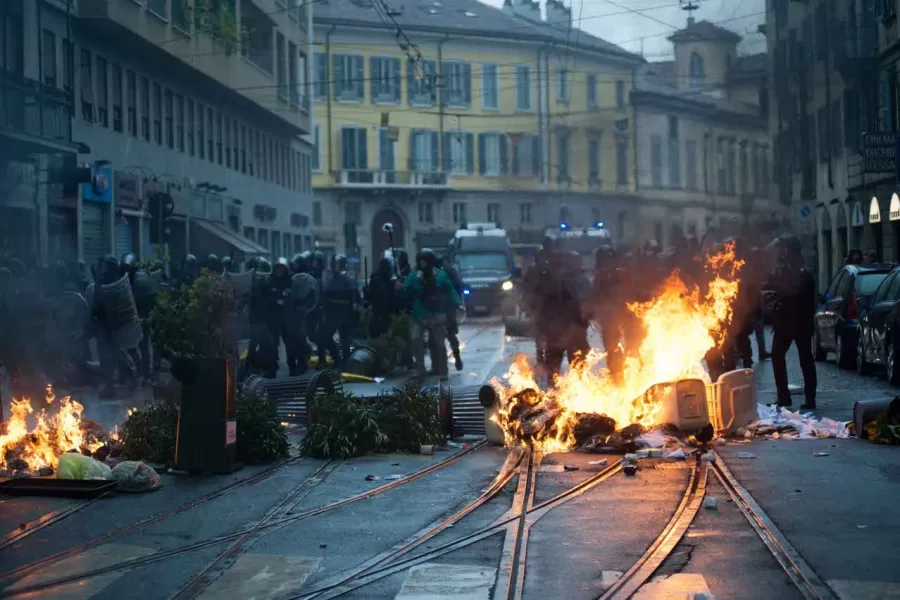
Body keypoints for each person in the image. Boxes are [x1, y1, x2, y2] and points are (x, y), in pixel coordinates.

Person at [769, 235, 817, 409]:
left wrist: (775, 283)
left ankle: (810, 398)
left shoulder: (802, 269)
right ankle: (783, 397)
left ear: (789, 249)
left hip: (800, 322)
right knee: (777, 356)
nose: (780, 251)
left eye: (783, 248)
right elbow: (782, 292)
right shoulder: (784, 267)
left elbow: (794, 291)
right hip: (784, 321)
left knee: (805, 359)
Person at [400, 248, 460, 380]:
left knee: (439, 343)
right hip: (419, 314)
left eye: (425, 261)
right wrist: (399, 288)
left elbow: (450, 289)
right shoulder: (413, 275)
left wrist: (457, 303)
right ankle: (420, 370)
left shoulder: (440, 275)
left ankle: (443, 370)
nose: (423, 264)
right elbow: (404, 291)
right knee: (416, 339)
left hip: (436, 314)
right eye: (421, 261)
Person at [320, 254, 357, 367]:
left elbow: (354, 297)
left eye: (338, 264)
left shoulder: (348, 278)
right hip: (332, 313)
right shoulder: (330, 277)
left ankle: (345, 362)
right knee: (326, 337)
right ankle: (337, 358)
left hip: (344, 312)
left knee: (344, 339)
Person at [440, 257, 465, 371]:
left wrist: (457, 303)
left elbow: (454, 290)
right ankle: (442, 364)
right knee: (439, 338)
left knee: (450, 335)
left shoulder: (446, 274)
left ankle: (457, 358)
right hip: (437, 309)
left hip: (447, 308)